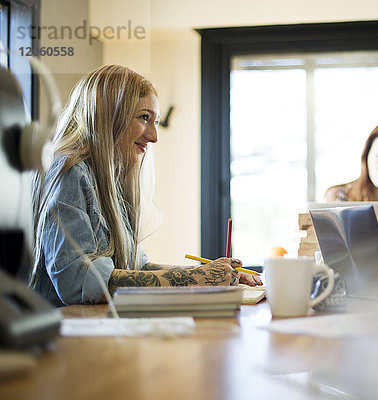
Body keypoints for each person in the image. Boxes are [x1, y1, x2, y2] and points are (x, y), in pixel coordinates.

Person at [30, 65, 260, 306]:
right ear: (110, 114)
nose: (154, 136)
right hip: (61, 335)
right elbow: (78, 282)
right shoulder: (69, 171)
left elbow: (135, 266)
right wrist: (196, 277)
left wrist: (213, 273)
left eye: (156, 122)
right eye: (144, 117)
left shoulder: (109, 180)